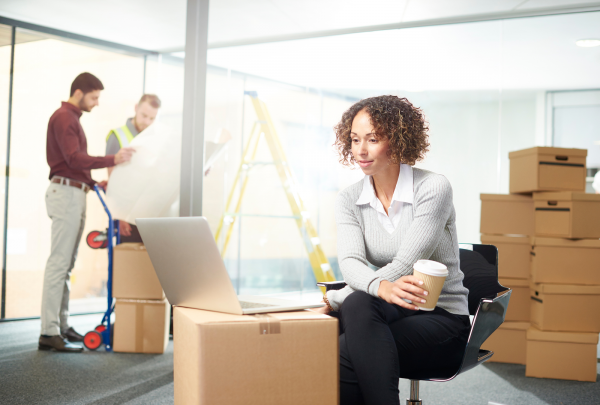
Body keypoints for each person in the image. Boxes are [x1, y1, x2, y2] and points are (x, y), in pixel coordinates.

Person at [313, 96, 470, 404]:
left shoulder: (433, 187)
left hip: (440, 314)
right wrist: (376, 288)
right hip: (393, 310)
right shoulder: (349, 199)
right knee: (358, 303)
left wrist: (333, 299)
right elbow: (350, 263)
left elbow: (406, 263)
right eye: (355, 139)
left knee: (345, 349)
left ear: (398, 140)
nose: (360, 150)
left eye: (372, 139)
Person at [40, 72, 135, 353]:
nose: (96, 103)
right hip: (66, 193)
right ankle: (49, 332)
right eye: (94, 97)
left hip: (74, 190)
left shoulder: (70, 119)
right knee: (59, 264)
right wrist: (111, 159)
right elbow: (72, 159)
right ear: (79, 93)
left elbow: (72, 164)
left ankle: (61, 325)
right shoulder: (65, 117)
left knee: (66, 265)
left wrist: (95, 183)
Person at [105, 94, 161, 242]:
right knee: (126, 260)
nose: (147, 122)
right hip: (126, 214)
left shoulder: (156, 140)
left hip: (149, 213)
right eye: (144, 116)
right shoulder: (117, 136)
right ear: (136, 108)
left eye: (152, 118)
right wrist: (119, 217)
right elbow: (112, 181)